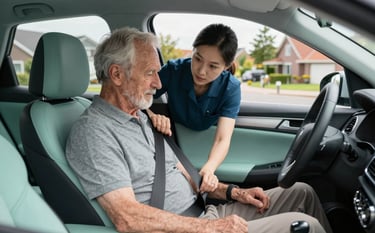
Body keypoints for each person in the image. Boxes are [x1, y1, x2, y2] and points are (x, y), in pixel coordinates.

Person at [66, 27, 332, 233]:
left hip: (203, 214)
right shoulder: (93, 133)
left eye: (158, 73)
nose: (158, 83)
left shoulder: (141, 118)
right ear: (116, 75)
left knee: (302, 193)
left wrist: (234, 193)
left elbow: (190, 178)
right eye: (150, 73)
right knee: (303, 225)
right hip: (188, 226)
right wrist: (208, 227)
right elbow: (127, 217)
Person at [148, 24, 241, 193]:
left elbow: (222, 138)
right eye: (197, 58)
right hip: (171, 140)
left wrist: (209, 168)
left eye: (213, 66)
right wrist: (151, 114)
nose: (201, 71)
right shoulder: (173, 70)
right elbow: (137, 98)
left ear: (226, 66)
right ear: (193, 50)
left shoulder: (231, 88)